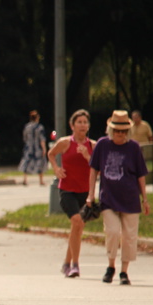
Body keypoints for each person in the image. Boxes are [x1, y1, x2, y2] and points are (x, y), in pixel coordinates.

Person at [85, 110, 149, 285]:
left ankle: (124, 271)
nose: (120, 134)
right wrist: (90, 195)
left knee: (129, 236)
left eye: (123, 131)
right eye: (117, 131)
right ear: (111, 130)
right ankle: (111, 265)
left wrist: (145, 199)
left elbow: (141, 175)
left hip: (130, 198)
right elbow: (93, 170)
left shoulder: (133, 147)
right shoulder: (102, 145)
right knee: (112, 232)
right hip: (108, 197)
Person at [47, 109, 96, 278]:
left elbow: (98, 168)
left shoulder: (93, 146)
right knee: (77, 222)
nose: (82, 125)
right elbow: (51, 154)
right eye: (79, 122)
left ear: (88, 126)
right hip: (67, 190)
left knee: (77, 228)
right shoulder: (65, 143)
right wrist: (56, 168)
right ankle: (75, 265)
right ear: (72, 125)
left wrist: (87, 156)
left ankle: (66, 263)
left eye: (85, 122)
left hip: (85, 191)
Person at [19, 110, 47, 185]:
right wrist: (44, 149)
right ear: (37, 118)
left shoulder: (27, 127)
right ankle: (41, 181)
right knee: (40, 163)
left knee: (27, 162)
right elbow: (42, 139)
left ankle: (25, 179)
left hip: (28, 147)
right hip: (38, 148)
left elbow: (24, 137)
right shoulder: (40, 127)